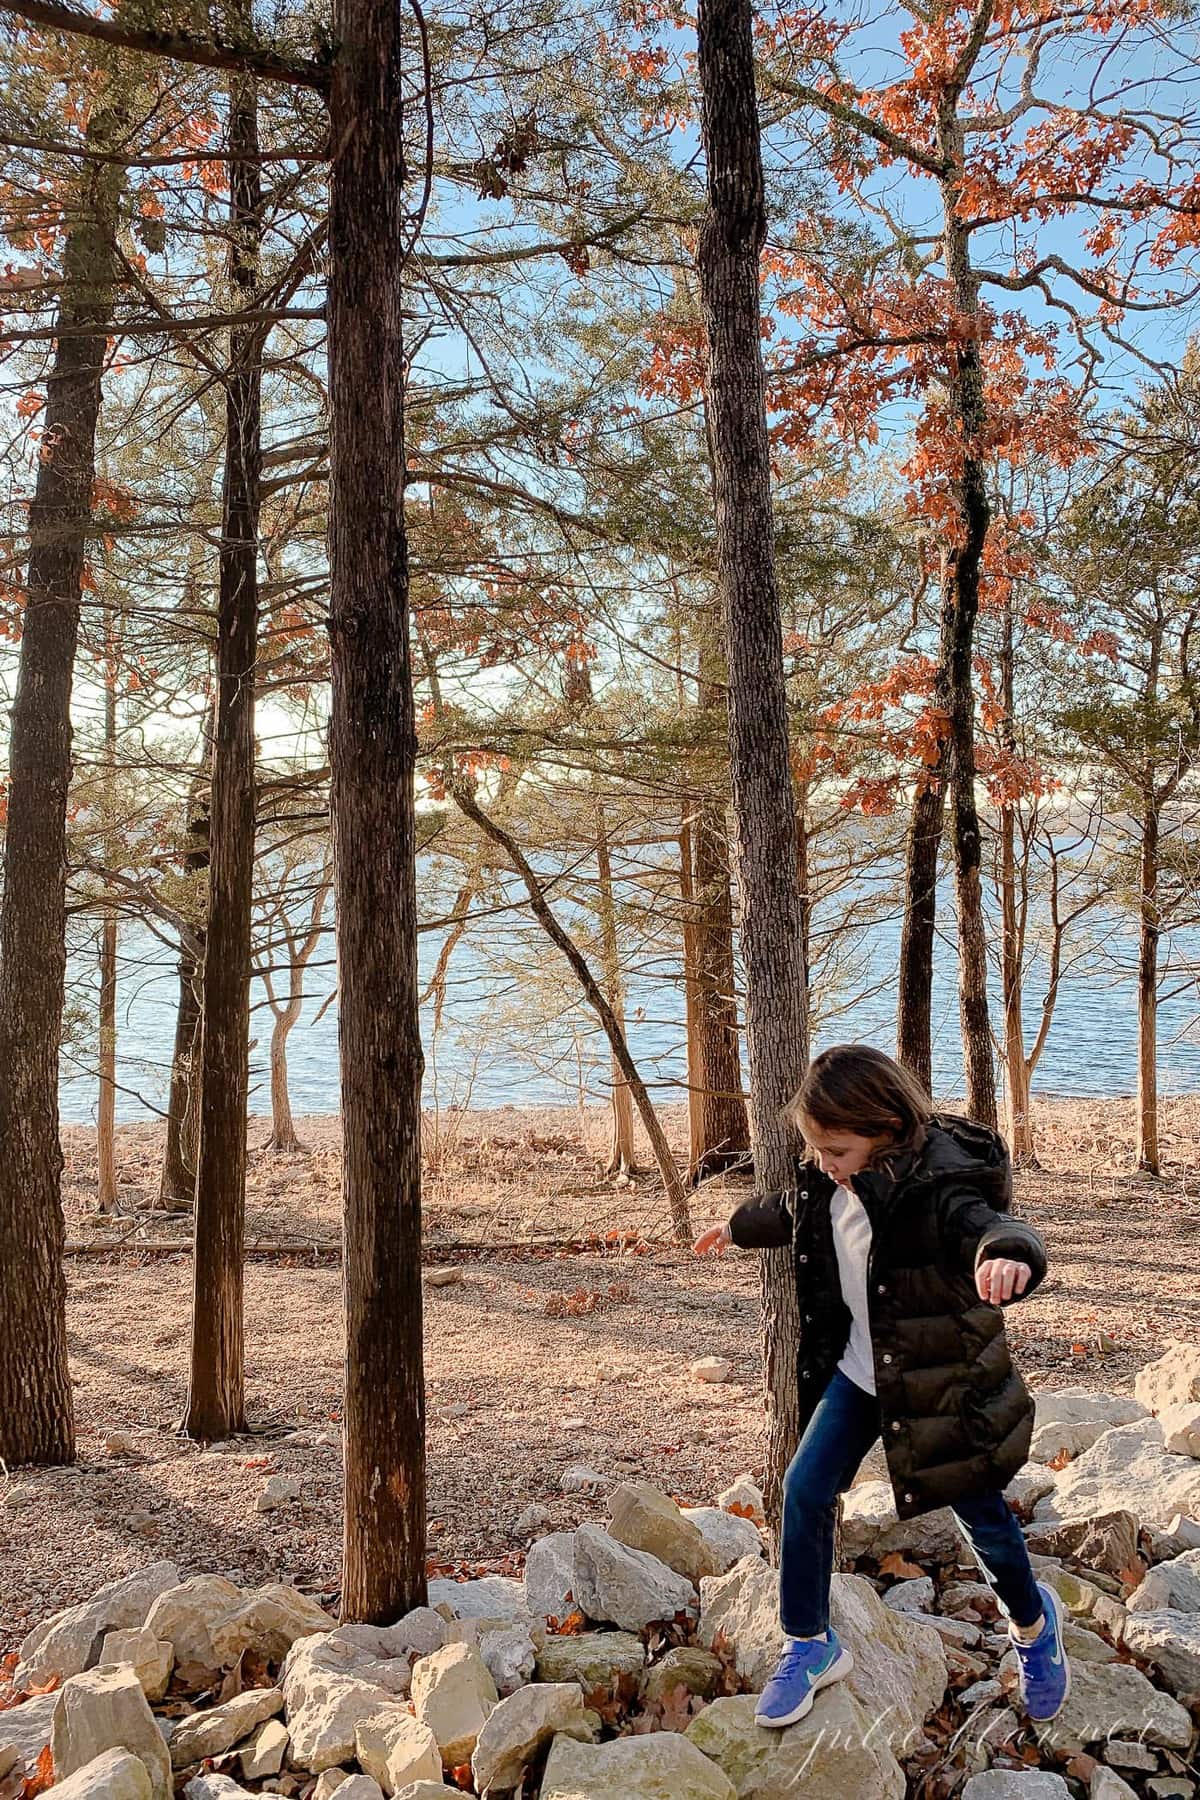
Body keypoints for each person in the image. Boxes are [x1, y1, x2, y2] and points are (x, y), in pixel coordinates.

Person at [695, 1043, 1069, 1730]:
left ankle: (1034, 1626)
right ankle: (810, 1643)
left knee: (981, 1520)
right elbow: (791, 1211)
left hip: (939, 1386)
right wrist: (738, 1225)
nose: (824, 1164)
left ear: (885, 1127)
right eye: (816, 1150)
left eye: (836, 1149)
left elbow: (990, 1227)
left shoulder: (940, 1190)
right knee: (805, 1491)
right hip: (858, 1376)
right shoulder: (827, 1182)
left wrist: (1008, 1255)